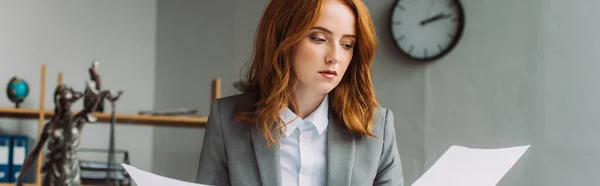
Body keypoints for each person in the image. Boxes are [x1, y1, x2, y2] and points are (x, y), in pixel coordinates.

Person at [195, 0, 404, 185]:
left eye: (347, 44)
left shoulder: (377, 127)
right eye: (319, 38)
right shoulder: (226, 120)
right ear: (283, 38)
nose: (335, 57)